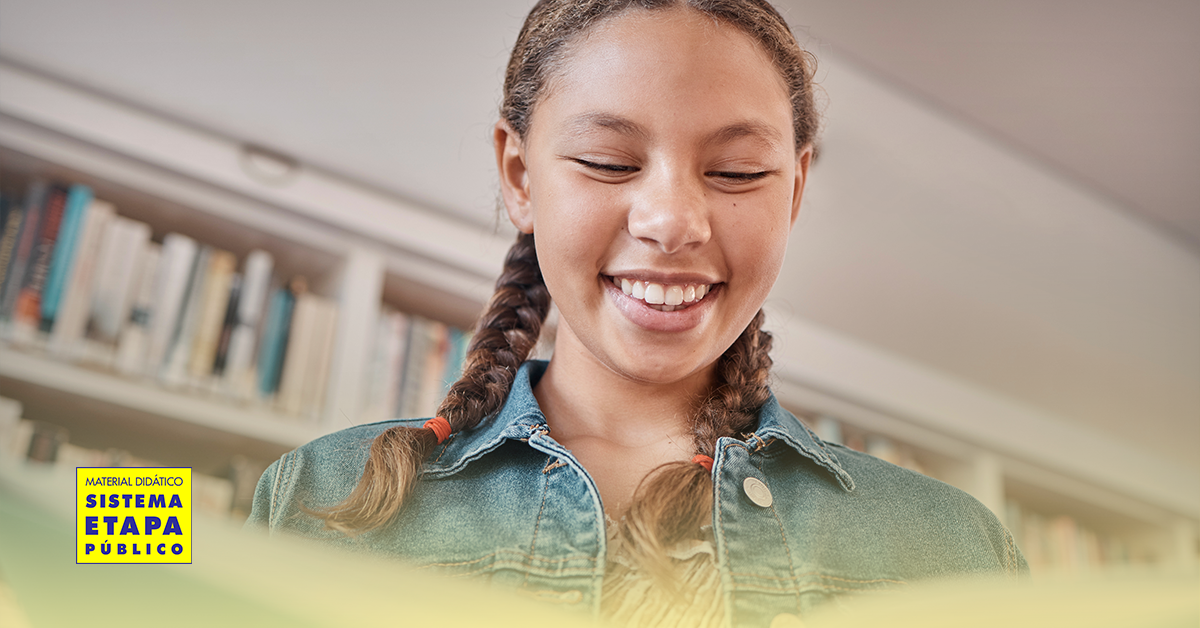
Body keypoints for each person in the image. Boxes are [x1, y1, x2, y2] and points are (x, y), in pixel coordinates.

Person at [247, 1, 1027, 626]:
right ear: (520, 176)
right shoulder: (312, 493)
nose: (671, 220)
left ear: (792, 190)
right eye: (609, 162)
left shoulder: (958, 550)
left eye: (736, 171)